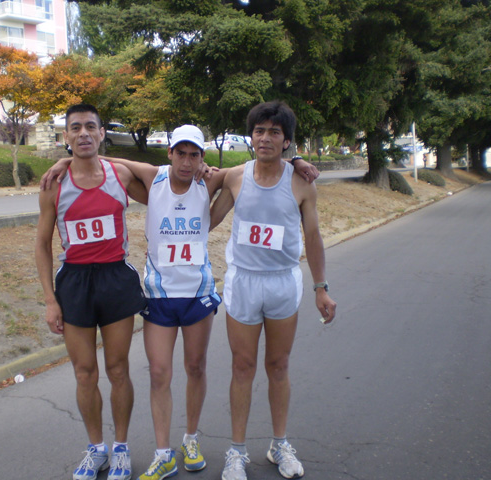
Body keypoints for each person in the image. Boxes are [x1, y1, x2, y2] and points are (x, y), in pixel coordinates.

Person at [41, 121, 319, 480]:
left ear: (202, 158)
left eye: (194, 155)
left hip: (198, 294)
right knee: (159, 372)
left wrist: (295, 159)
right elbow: (99, 159)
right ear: (169, 152)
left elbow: (256, 166)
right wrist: (67, 161)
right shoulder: (152, 176)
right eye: (181, 153)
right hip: (159, 294)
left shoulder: (210, 181)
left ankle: (190, 439)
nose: (187, 161)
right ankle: (162, 453)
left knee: (196, 368)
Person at [209, 100, 337, 480]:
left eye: (274, 132)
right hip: (243, 282)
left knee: (278, 366)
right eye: (259, 131)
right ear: (251, 137)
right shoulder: (235, 176)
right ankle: (236, 452)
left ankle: (279, 443)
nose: (265, 138)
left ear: (287, 141)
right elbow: (207, 218)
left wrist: (321, 288)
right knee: (242, 366)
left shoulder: (301, 182)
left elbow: (312, 236)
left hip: (282, 281)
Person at [35, 103, 148, 480]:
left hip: (116, 278)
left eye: (91, 127)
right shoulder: (54, 185)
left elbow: (165, 181)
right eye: (75, 128)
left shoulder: (120, 174)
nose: (83, 133)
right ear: (65, 137)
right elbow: (41, 245)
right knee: (85, 372)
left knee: (118, 369)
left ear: (102, 133)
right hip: (76, 283)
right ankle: (96, 448)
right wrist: (51, 300)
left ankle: (121, 449)